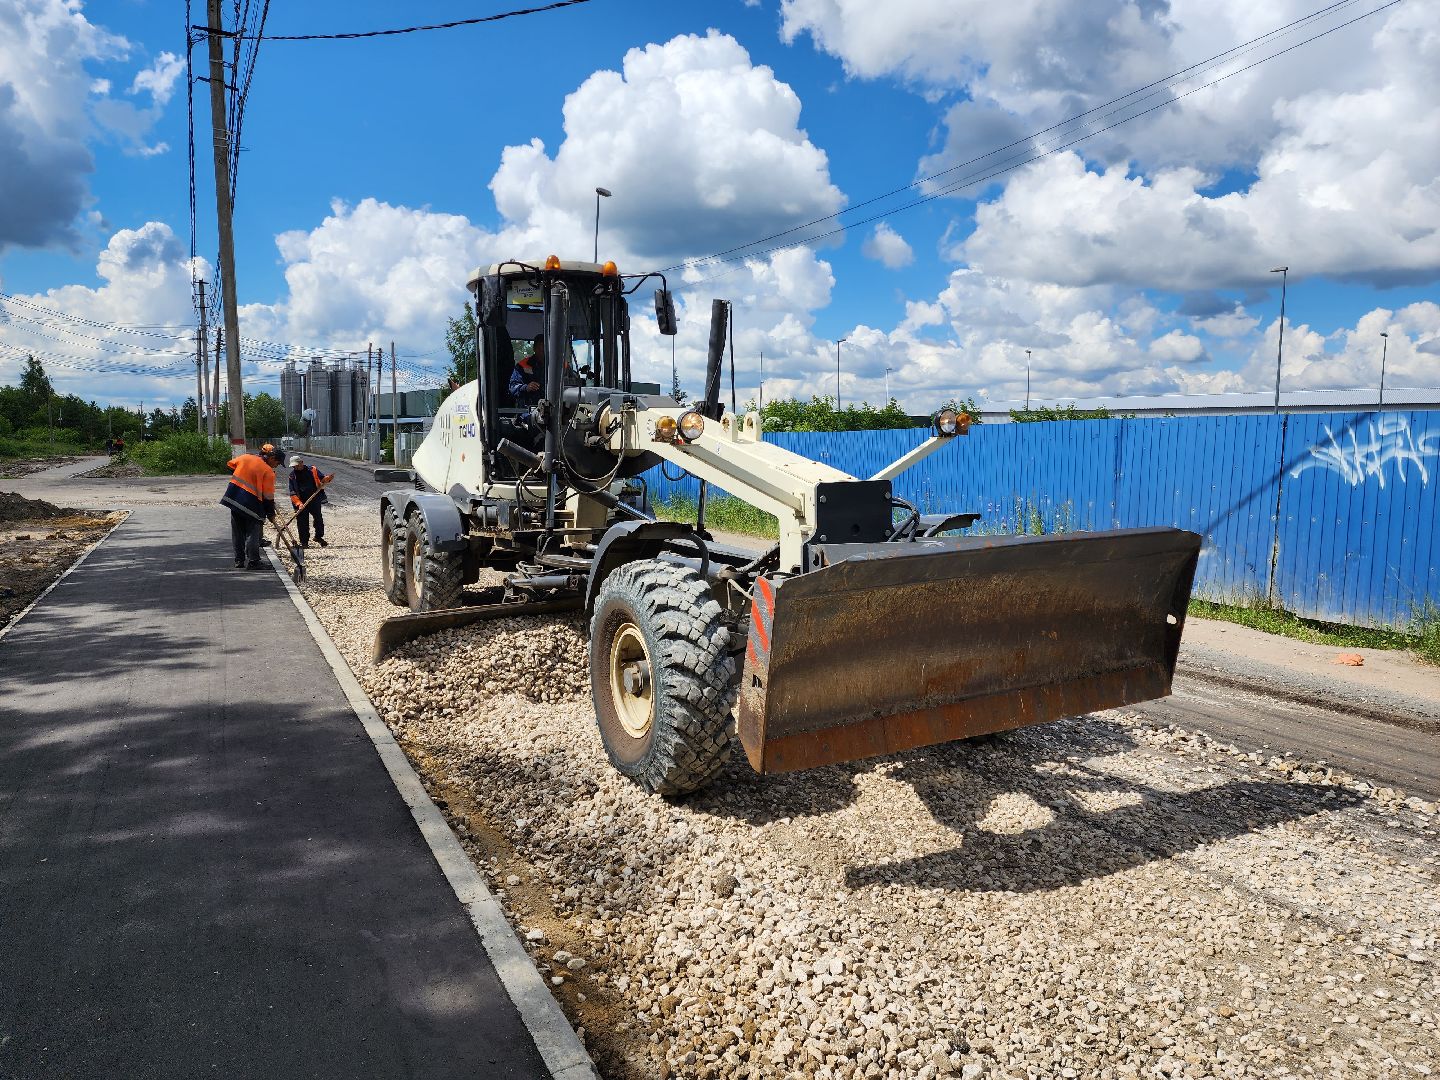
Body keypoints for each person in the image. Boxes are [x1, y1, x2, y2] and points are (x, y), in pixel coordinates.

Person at [221, 444, 283, 569]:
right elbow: (268, 497)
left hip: (234, 498)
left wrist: (245, 473)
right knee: (252, 532)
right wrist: (270, 513)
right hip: (252, 503)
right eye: (278, 463)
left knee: (237, 533)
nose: (277, 466)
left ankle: (239, 560)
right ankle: (254, 561)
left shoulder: (246, 457)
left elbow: (230, 465)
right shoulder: (268, 471)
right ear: (272, 458)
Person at [287, 455, 335, 549]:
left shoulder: (312, 470)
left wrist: (327, 479)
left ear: (301, 462)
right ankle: (304, 542)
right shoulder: (292, 476)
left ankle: (318, 537)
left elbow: (322, 479)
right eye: (293, 466)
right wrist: (298, 503)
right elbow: (292, 492)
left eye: (296, 465)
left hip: (314, 498)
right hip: (300, 502)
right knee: (302, 522)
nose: (295, 467)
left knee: (318, 519)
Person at [509, 336, 544, 407]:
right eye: (539, 349)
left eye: (544, 349)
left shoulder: (561, 367)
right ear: (534, 348)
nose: (542, 352)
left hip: (557, 409)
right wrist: (526, 387)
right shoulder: (522, 365)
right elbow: (513, 387)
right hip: (529, 411)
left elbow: (572, 383)